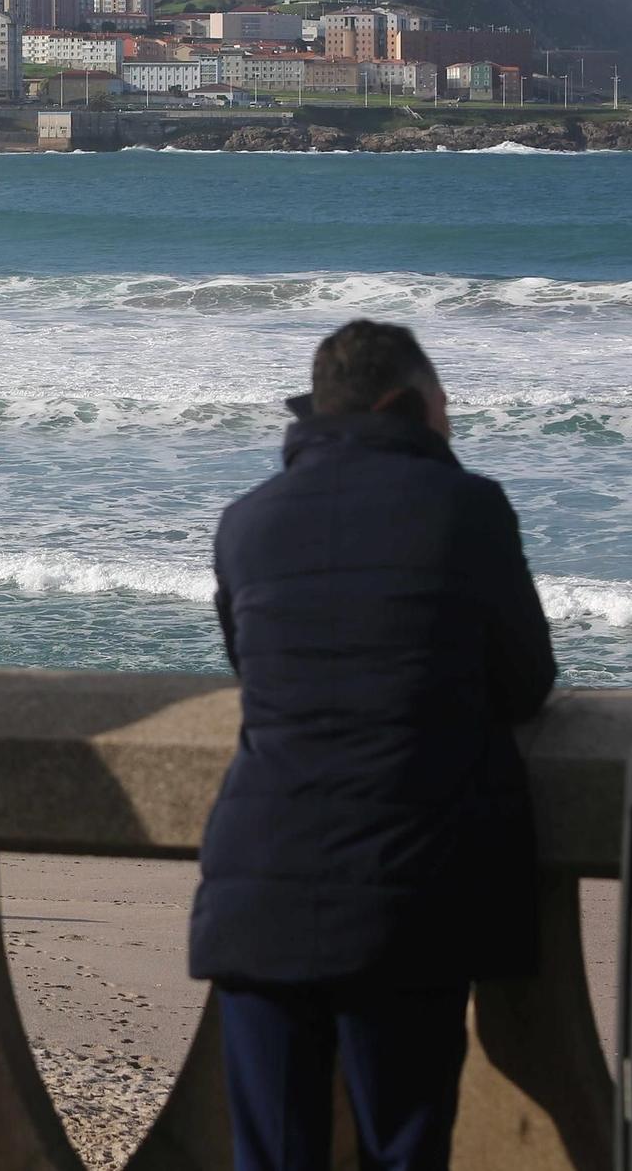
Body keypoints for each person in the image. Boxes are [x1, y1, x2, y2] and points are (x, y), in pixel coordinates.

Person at [189, 319, 556, 1171]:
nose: (451, 428)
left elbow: (257, 671)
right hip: (404, 895)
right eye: (444, 408)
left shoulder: (247, 522)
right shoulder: (467, 509)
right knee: (403, 1149)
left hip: (258, 893)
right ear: (406, 406)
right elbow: (527, 680)